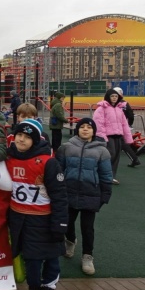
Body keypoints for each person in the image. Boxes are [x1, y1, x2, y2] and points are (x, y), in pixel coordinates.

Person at [5, 119, 68, 290]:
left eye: (27, 137)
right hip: (19, 219)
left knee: (51, 258)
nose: (21, 140)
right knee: (31, 259)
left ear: (36, 140)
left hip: (44, 219)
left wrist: (60, 223)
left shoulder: (48, 162)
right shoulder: (8, 158)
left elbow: (60, 196)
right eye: (19, 135)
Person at [55, 118, 113, 276]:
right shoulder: (66, 148)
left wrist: (105, 195)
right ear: (77, 130)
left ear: (94, 131)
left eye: (89, 127)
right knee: (67, 222)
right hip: (69, 192)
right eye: (82, 127)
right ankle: (70, 240)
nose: (85, 129)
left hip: (91, 194)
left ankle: (87, 256)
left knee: (87, 228)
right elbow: (58, 170)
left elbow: (106, 175)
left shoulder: (102, 151)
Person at [93, 88, 133, 184]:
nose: (114, 98)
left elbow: (124, 124)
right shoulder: (101, 108)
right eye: (112, 96)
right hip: (108, 137)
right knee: (110, 155)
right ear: (108, 97)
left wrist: (128, 138)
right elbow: (98, 124)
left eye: (116, 96)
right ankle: (102, 174)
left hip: (118, 136)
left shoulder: (119, 109)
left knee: (116, 157)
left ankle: (111, 176)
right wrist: (103, 137)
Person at [113, 87, 141, 167]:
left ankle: (134, 159)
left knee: (122, 144)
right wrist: (129, 124)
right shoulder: (125, 104)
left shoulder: (113, 104)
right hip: (121, 126)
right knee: (120, 143)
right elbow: (131, 115)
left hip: (115, 127)